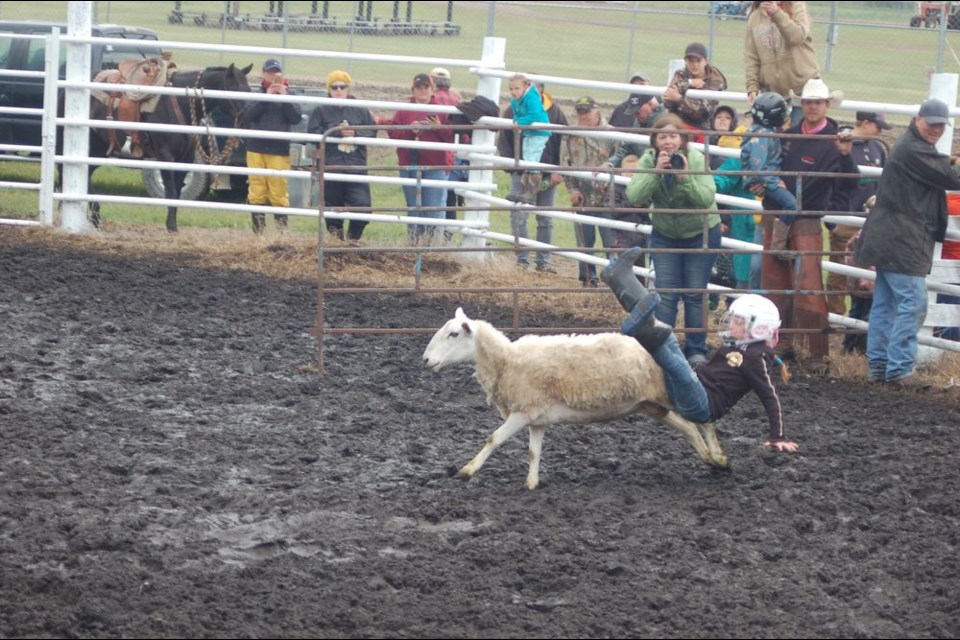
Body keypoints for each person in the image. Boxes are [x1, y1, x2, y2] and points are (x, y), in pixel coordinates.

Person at [602, 247, 798, 453]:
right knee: (669, 337)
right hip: (696, 390)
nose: (731, 325)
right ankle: (621, 280)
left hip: (703, 406)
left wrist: (778, 436)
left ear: (758, 329)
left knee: (679, 368)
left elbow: (770, 396)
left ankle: (642, 331)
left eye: (738, 322)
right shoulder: (738, 345)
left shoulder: (756, 358)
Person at [854, 98, 960, 388]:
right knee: (913, 303)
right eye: (932, 124)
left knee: (886, 303)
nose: (937, 130)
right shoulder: (915, 150)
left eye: (941, 125)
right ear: (918, 120)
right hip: (904, 238)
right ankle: (900, 369)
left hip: (889, 235)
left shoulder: (909, 147)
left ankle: (879, 367)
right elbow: (953, 177)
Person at [756, 77, 857, 366]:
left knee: (809, 284)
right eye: (808, 102)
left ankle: (817, 352)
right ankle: (781, 342)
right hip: (778, 213)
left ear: (826, 105)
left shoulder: (834, 142)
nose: (812, 107)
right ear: (803, 104)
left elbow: (849, 183)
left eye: (817, 102)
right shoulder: (788, 136)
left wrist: (847, 156)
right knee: (775, 282)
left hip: (807, 217)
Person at [625, 112, 721, 366]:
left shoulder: (696, 158)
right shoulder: (648, 160)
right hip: (665, 234)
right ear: (654, 141)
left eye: (673, 136)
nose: (668, 141)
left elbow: (705, 199)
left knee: (693, 293)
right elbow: (635, 195)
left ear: (682, 139)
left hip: (700, 232)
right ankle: (664, 348)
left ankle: (696, 350)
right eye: (662, 136)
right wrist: (656, 173)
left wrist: (684, 178)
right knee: (666, 293)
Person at [497, 79, 567, 272]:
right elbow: (504, 139)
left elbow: (564, 140)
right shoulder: (514, 109)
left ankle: (543, 262)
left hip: (547, 171)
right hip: (521, 171)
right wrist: (512, 166)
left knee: (544, 217)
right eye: (512, 89)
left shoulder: (555, 111)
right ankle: (522, 261)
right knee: (518, 215)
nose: (515, 92)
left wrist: (558, 169)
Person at [826, 114, 889, 323]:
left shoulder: (877, 147)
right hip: (846, 215)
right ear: (866, 123)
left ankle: (857, 318)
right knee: (839, 268)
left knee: (864, 271)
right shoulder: (842, 144)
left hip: (868, 218)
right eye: (878, 126)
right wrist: (834, 220)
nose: (880, 131)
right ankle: (835, 316)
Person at [307, 70, 377, 242]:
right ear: (329, 89)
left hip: (356, 166)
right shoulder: (321, 110)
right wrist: (335, 133)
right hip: (332, 165)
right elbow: (312, 134)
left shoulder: (360, 110)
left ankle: (352, 241)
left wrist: (356, 134)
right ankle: (336, 244)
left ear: (348, 89)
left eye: (342, 86)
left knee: (362, 207)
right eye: (334, 87)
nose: (338, 90)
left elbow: (372, 132)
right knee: (332, 210)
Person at [384, 73, 454, 243]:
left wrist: (438, 128)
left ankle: (433, 248)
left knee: (434, 209)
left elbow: (453, 138)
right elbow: (394, 134)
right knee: (413, 209)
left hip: (435, 166)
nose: (422, 91)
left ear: (432, 90)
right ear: (413, 90)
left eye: (426, 88)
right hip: (410, 164)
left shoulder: (443, 111)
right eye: (418, 88)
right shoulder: (404, 110)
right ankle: (414, 246)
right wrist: (410, 131)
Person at [561, 96, 618, 287]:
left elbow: (619, 162)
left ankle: (615, 280)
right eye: (580, 112)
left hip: (607, 195)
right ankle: (587, 278)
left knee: (612, 241)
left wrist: (614, 191)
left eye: (586, 111)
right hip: (583, 195)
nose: (583, 115)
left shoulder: (611, 134)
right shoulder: (571, 135)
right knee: (585, 241)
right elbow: (566, 165)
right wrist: (573, 190)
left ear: (597, 111)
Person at [241, 58, 302, 234]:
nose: (273, 76)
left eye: (276, 73)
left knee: (279, 191)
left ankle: (281, 234)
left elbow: (295, 118)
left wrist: (285, 98)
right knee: (256, 189)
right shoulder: (255, 94)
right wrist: (266, 97)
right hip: (255, 148)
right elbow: (248, 116)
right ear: (263, 74)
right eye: (269, 72)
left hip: (279, 150)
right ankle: (258, 233)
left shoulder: (290, 95)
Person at [744, 1, 819, 127]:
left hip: (802, 89)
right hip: (773, 93)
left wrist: (777, 13)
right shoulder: (755, 17)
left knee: (798, 136)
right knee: (774, 139)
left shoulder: (797, 6)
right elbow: (752, 57)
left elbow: (796, 36)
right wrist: (752, 86)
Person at [742, 92, 799, 252]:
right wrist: (774, 182)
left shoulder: (761, 132)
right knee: (791, 204)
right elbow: (757, 165)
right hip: (766, 181)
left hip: (764, 180)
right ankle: (778, 244)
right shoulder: (763, 135)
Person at [709, 105, 756, 294]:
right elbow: (720, 180)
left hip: (768, 227)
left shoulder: (781, 148)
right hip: (745, 227)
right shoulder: (741, 155)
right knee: (744, 281)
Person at [505, 73, 552, 204]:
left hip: (539, 132)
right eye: (511, 89)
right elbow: (517, 113)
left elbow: (535, 114)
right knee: (527, 159)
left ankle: (531, 193)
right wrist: (517, 120)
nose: (514, 92)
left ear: (525, 87)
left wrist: (519, 122)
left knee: (532, 159)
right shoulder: (516, 100)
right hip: (529, 131)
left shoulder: (531, 97)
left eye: (517, 88)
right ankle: (523, 191)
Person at [662, 42, 728, 133]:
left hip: (700, 128)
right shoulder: (681, 74)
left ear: (706, 61)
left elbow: (702, 112)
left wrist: (678, 98)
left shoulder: (715, 80)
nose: (694, 65)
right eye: (691, 61)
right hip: (676, 122)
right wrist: (689, 82)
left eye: (698, 61)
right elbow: (667, 99)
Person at [429, 67, 465, 228]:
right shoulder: (457, 100)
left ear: (432, 81)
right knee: (449, 195)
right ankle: (447, 233)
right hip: (455, 151)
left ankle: (436, 233)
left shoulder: (432, 99)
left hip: (435, 153)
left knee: (435, 196)